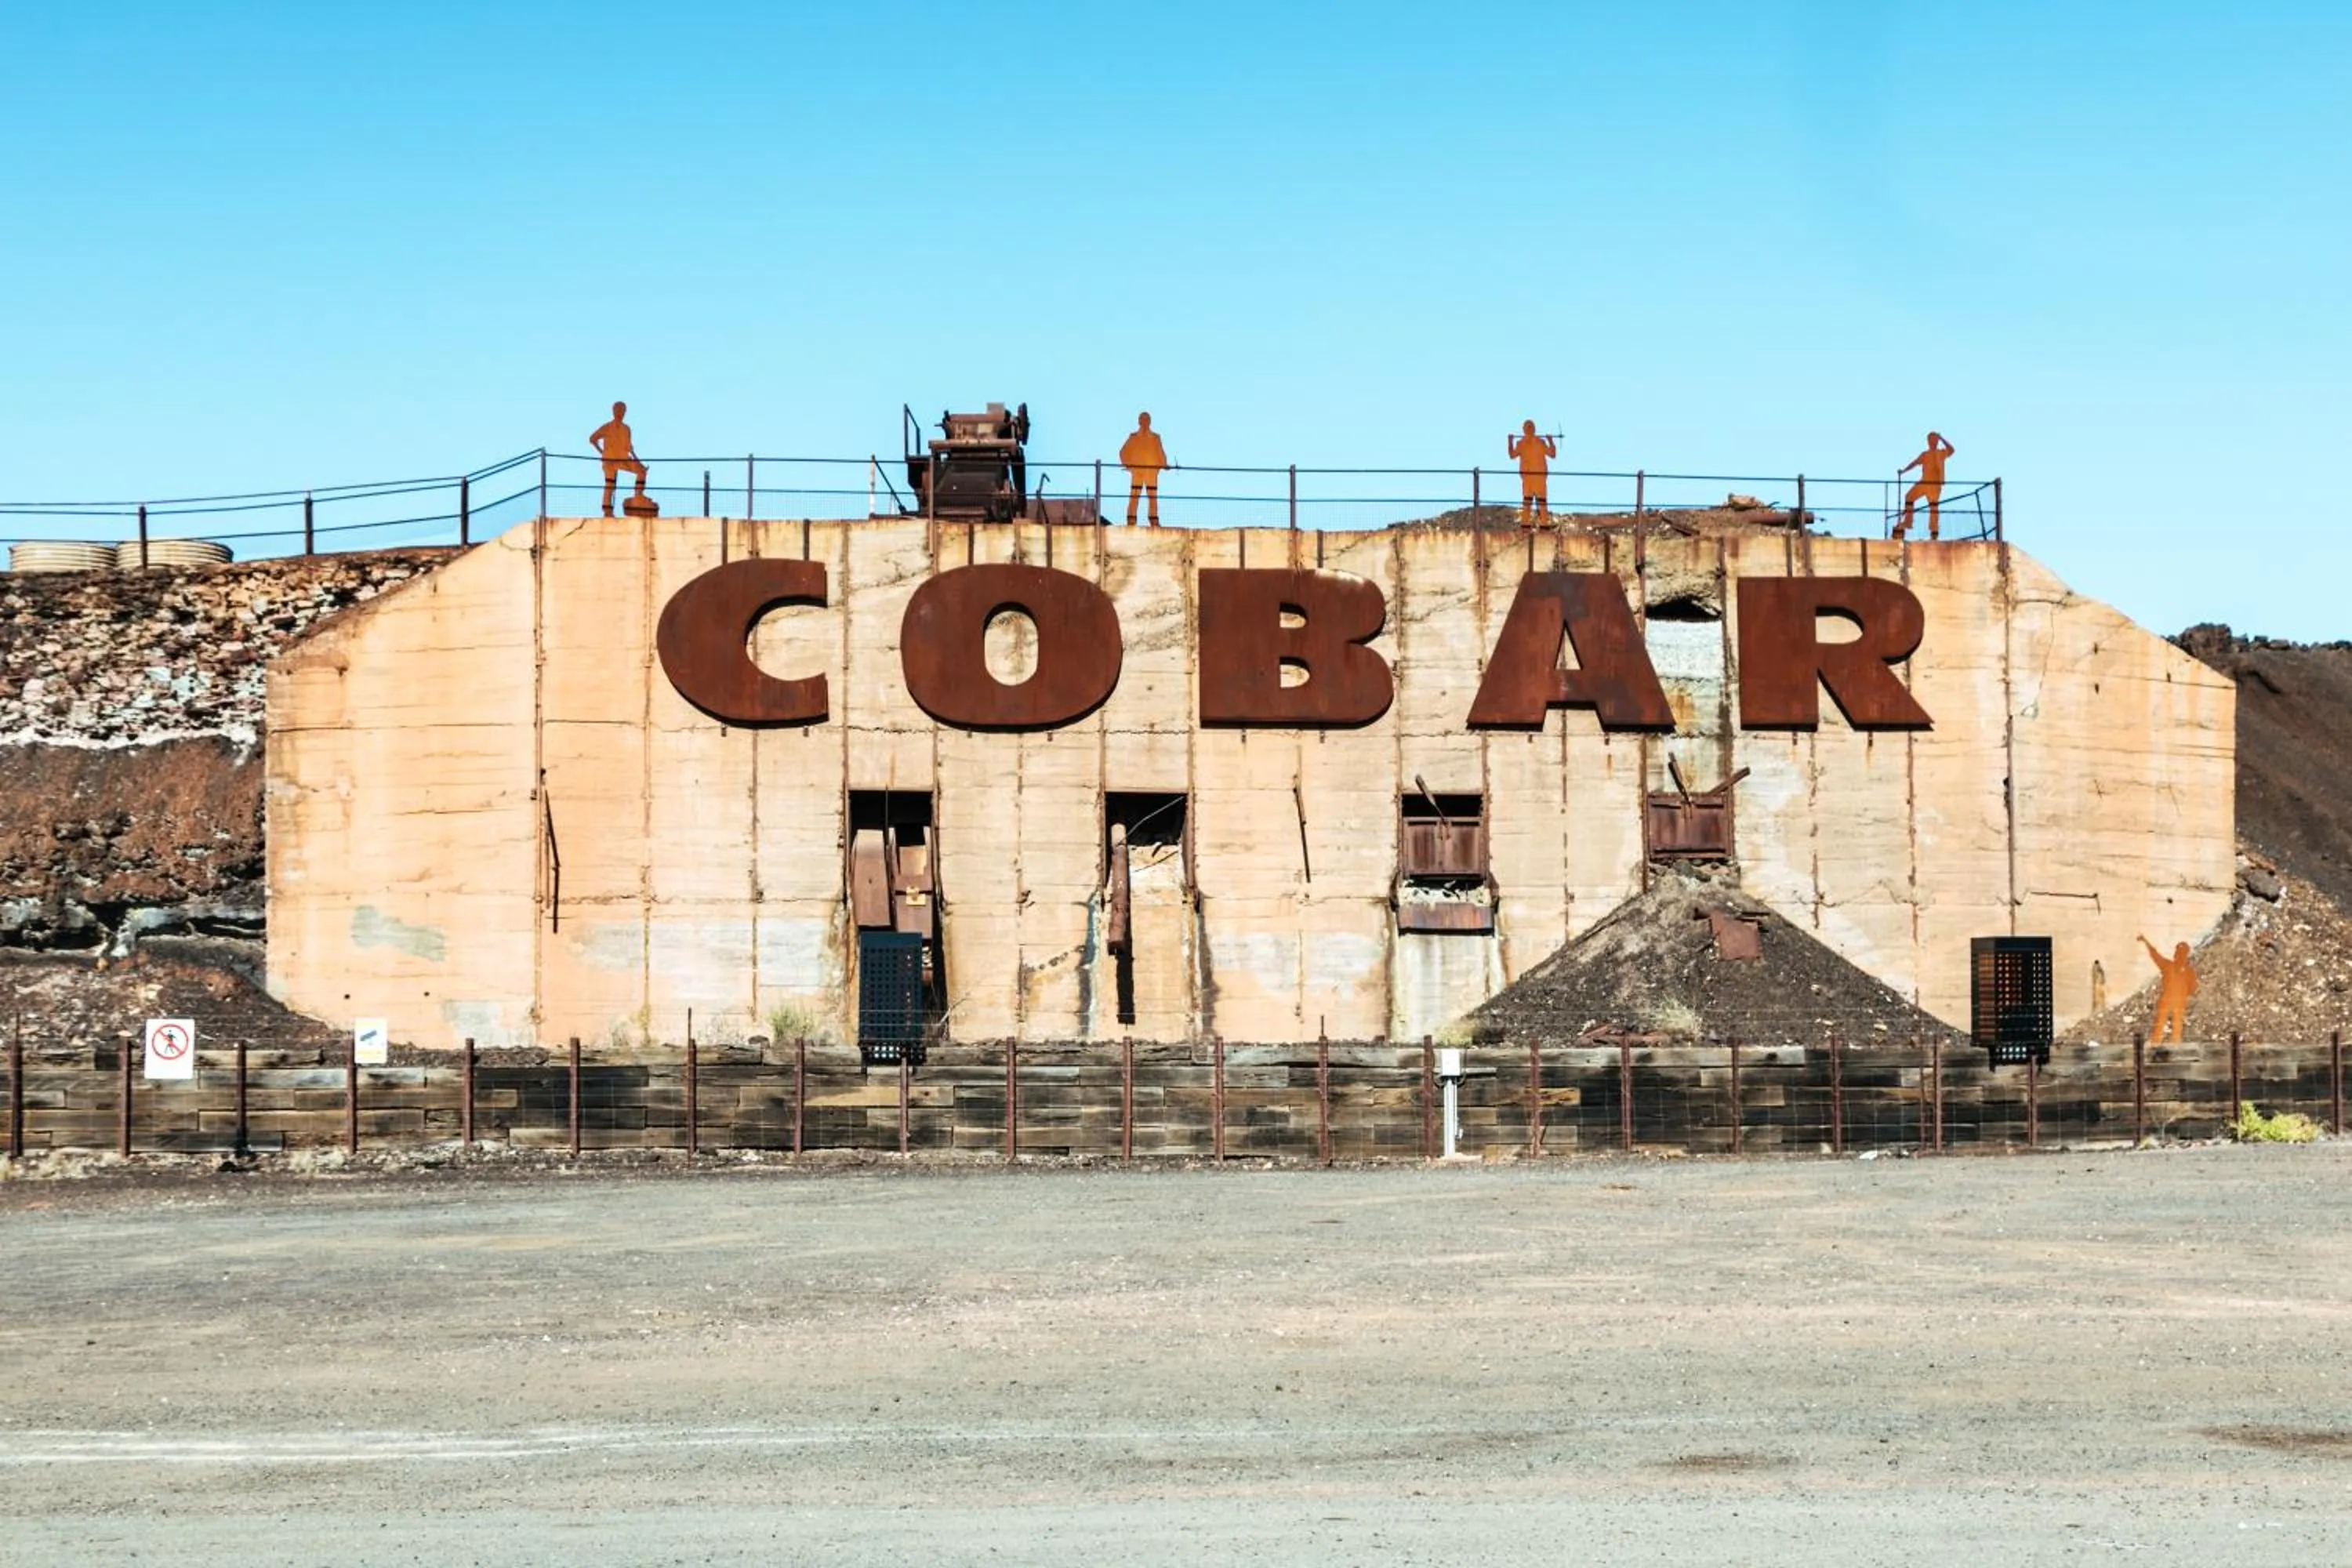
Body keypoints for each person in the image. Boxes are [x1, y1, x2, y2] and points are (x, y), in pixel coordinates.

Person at [590, 401, 649, 517]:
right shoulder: (607, 427)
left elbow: (630, 449)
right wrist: (603, 453)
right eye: (618, 410)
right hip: (610, 461)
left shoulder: (626, 429)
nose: (620, 413)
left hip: (624, 459)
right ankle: (607, 510)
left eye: (622, 411)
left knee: (641, 471)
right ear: (613, 411)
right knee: (610, 484)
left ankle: (638, 497)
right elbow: (592, 439)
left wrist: (639, 463)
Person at [1894, 431, 1955, 540]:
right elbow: (1915, 463)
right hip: (1924, 482)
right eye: (1930, 440)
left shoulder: (1941, 453)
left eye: (1934, 439)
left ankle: (1934, 532)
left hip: (1934, 484)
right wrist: (1904, 471)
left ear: (1936, 441)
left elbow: (1952, 450)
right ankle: (1908, 522)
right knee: (1909, 497)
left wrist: (1942, 438)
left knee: (1933, 507)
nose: (1931, 442)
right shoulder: (1925, 455)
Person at [2140, 935, 2198, 1044]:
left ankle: (2174, 1046)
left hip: (2178, 1003)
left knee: (2176, 1027)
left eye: (2182, 953)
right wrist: (2145, 941)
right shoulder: (2168, 966)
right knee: (2160, 1025)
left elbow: (2193, 988)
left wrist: (2185, 997)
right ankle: (2156, 1044)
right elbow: (2155, 955)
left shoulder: (2189, 972)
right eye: (2178, 953)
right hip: (2167, 1001)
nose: (2179, 956)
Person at [1119, 412, 1171, 527]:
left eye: (1147, 420)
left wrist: (1164, 464)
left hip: (1151, 472)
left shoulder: (1155, 438)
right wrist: (1129, 466)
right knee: (1134, 495)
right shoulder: (1133, 437)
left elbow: (1160, 452)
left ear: (1150, 422)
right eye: (1143, 419)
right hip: (1137, 472)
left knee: (1152, 496)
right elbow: (1123, 452)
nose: (1145, 422)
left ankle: (1153, 520)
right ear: (1139, 421)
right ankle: (1131, 520)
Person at [1508, 419, 1556, 525]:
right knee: (1527, 501)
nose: (1529, 429)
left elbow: (1552, 454)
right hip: (1528, 477)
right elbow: (1512, 455)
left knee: (1542, 501)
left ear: (1534, 429)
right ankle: (1525, 523)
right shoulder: (1521, 444)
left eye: (1531, 427)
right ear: (1524, 430)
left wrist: (1550, 441)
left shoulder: (1540, 442)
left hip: (1539, 476)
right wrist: (1510, 441)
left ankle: (1544, 523)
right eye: (1527, 427)